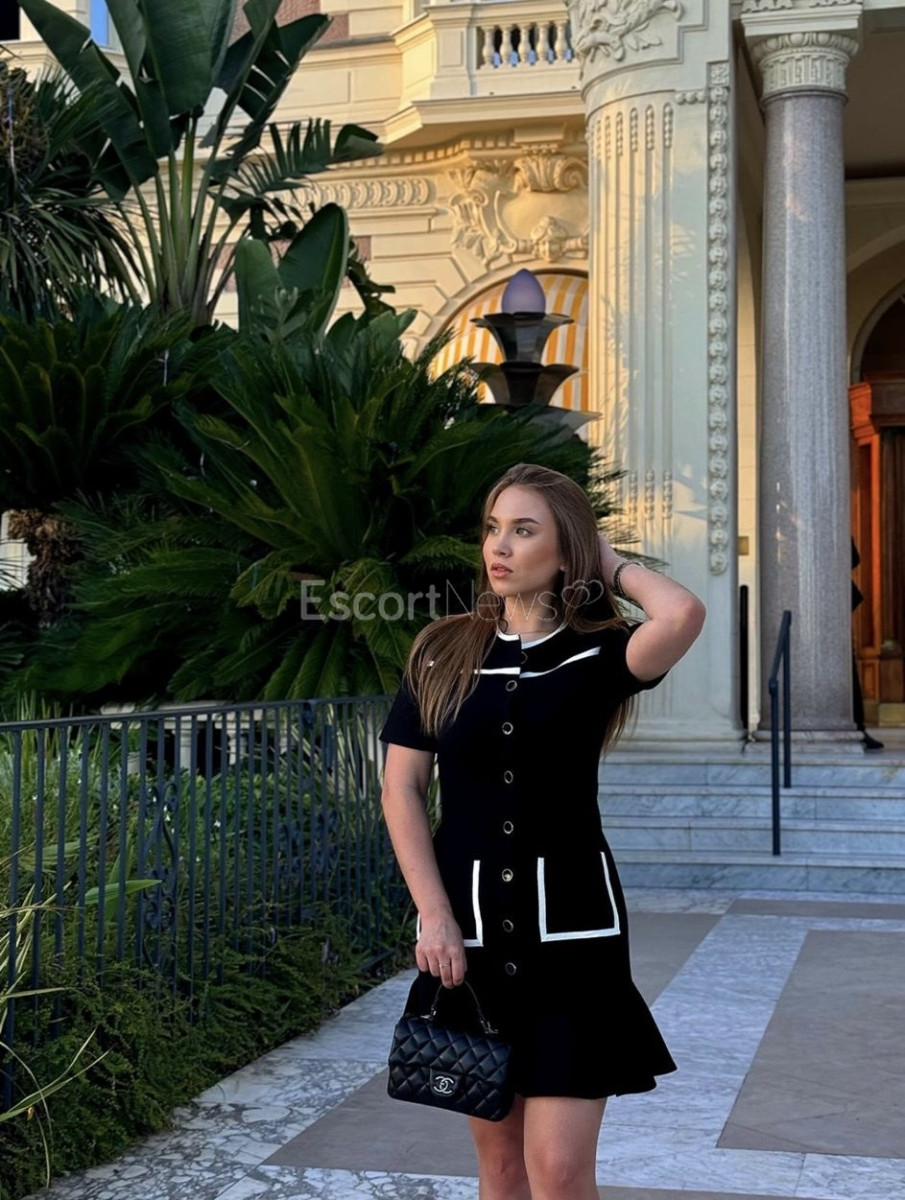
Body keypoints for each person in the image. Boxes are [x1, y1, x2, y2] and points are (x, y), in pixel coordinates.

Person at [379, 463, 706, 1200]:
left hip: (574, 946)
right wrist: (432, 913)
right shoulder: (442, 651)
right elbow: (401, 788)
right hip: (469, 942)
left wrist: (606, 561)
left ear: (564, 552)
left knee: (557, 1171)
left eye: (524, 531)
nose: (499, 546)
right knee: (500, 1167)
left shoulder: (599, 653)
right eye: (492, 528)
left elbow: (682, 613)